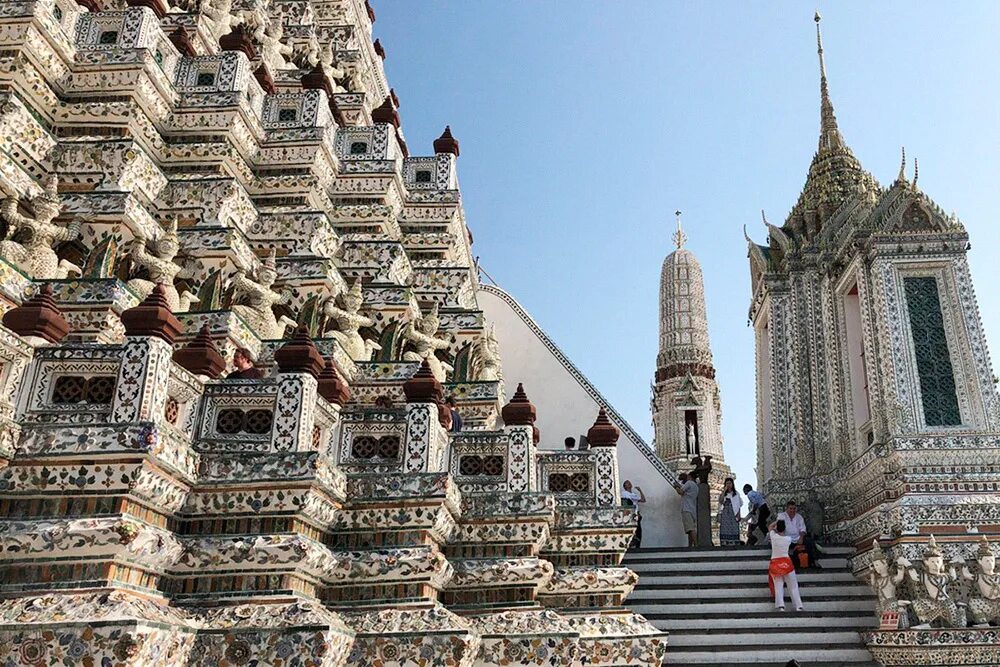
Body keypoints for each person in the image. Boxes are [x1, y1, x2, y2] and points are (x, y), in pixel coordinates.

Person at [768, 519, 804, 612]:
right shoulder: (788, 539)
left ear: (777, 528)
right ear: (785, 528)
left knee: (778, 585)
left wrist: (776, 521)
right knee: (793, 585)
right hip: (786, 563)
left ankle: (781, 606)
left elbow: (770, 527)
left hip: (775, 563)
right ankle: (798, 605)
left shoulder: (773, 536)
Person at [776, 500, 820, 569]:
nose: (792, 510)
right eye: (790, 509)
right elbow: (779, 528)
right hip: (786, 538)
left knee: (809, 541)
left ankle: (814, 561)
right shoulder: (781, 516)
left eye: (794, 509)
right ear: (787, 508)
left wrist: (801, 537)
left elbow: (803, 529)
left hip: (798, 538)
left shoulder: (799, 517)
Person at [674, 472, 699, 547]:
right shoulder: (696, 486)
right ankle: (690, 546)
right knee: (690, 529)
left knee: (690, 529)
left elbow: (681, 492)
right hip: (693, 509)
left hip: (686, 509)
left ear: (689, 476)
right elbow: (684, 490)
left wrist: (676, 487)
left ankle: (696, 545)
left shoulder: (689, 483)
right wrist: (680, 486)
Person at [718, 477, 743, 546]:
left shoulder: (736, 494)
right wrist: (724, 491)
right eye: (727, 483)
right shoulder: (724, 494)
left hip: (733, 512)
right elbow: (720, 501)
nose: (728, 485)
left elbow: (738, 505)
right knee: (725, 527)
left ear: (732, 484)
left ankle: (734, 542)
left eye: (730, 483)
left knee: (734, 527)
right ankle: (725, 542)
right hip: (725, 512)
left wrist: (739, 514)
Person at [621, 480, 646, 549]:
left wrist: (640, 490)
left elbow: (643, 500)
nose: (629, 483)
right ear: (625, 486)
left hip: (636, 513)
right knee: (633, 529)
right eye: (627, 483)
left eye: (629, 482)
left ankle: (637, 546)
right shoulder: (624, 493)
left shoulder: (633, 494)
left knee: (638, 530)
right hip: (630, 514)